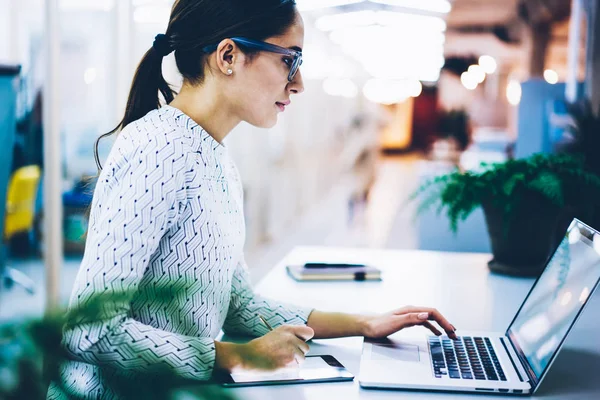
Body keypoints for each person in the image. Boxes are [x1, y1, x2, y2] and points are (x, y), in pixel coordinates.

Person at [48, 0, 457, 398]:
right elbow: (91, 329)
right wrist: (234, 356)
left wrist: (364, 323)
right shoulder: (157, 149)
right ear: (228, 55)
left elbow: (238, 306)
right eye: (289, 60)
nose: (297, 83)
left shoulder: (216, 158)